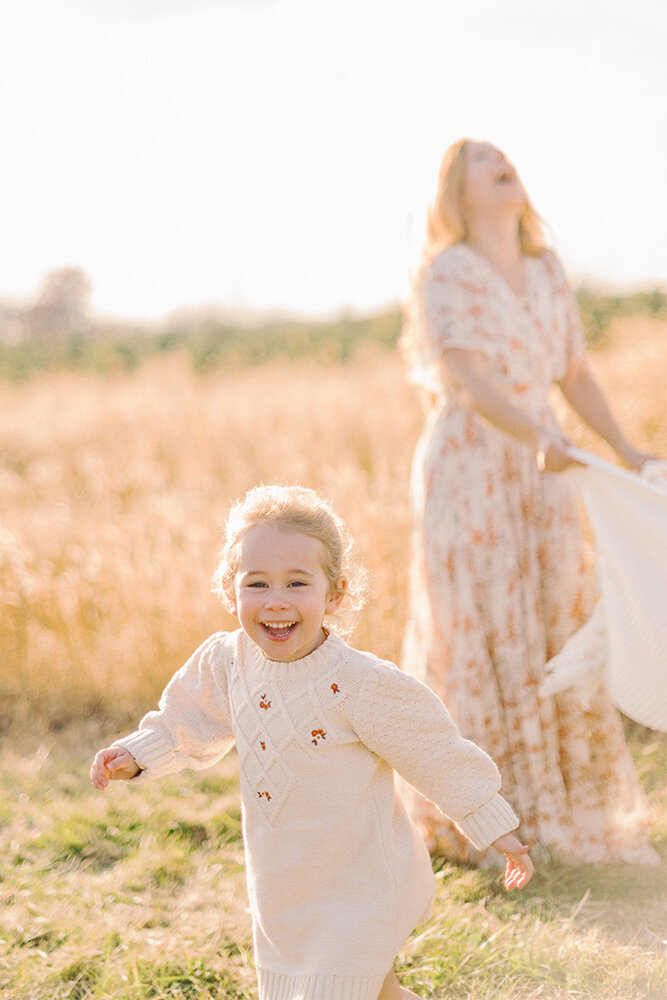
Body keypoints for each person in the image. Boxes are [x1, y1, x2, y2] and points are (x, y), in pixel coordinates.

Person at [91, 484, 534, 1000]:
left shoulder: (360, 683)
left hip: (359, 881)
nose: (276, 602)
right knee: (375, 991)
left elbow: (435, 752)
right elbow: (184, 722)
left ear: (335, 592)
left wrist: (492, 824)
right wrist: (137, 755)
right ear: (230, 590)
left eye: (297, 583)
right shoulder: (227, 662)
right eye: (257, 584)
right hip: (284, 883)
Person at [400, 138, 658, 866]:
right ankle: (486, 817)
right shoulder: (446, 272)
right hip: (473, 464)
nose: (500, 160)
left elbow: (573, 372)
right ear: (457, 188)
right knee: (484, 626)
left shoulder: (547, 271)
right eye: (481, 157)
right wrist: (537, 430)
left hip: (547, 465)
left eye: (502, 153)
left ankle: (569, 810)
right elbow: (468, 382)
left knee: (551, 618)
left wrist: (623, 449)